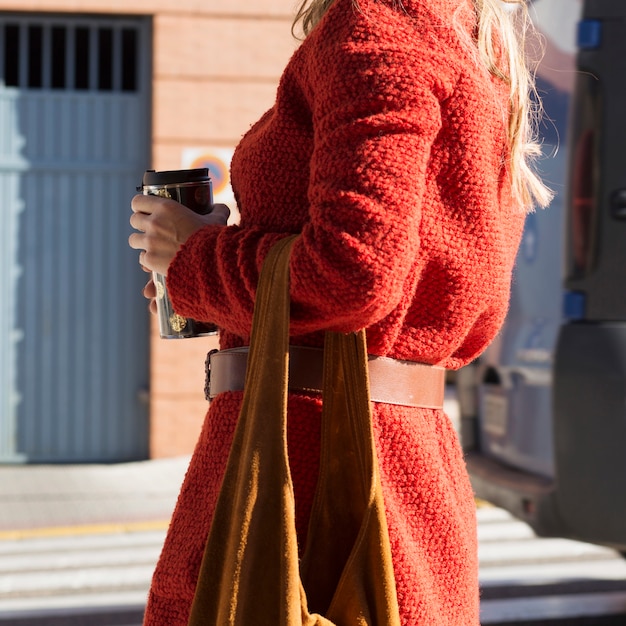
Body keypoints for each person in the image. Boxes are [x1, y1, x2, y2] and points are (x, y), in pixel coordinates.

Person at [129, 0, 552, 623]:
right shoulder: (463, 37)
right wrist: (217, 268)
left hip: (308, 460)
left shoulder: (379, 25)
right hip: (401, 464)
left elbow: (350, 272)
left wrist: (194, 258)